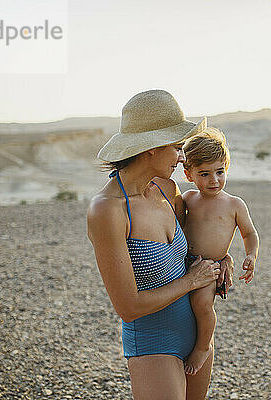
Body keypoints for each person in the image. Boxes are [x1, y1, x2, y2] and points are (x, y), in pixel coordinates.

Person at [87, 90, 233, 400]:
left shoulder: (168, 189)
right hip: (154, 342)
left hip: (197, 339)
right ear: (152, 148)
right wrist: (191, 281)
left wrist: (223, 258)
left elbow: (191, 246)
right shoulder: (108, 209)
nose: (182, 157)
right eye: (178, 148)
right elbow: (128, 307)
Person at [179, 127, 260, 375]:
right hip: (184, 263)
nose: (214, 180)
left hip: (211, 266)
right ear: (189, 174)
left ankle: (203, 347)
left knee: (202, 304)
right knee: (182, 305)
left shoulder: (234, 204)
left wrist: (250, 255)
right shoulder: (188, 199)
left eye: (220, 172)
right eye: (204, 173)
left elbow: (250, 233)